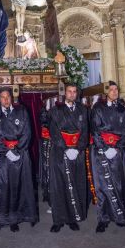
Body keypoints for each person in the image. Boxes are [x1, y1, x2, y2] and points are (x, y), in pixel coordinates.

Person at [90, 81, 125, 233]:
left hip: (117, 152)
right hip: (100, 151)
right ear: (106, 93)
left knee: (118, 183)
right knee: (102, 186)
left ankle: (119, 216)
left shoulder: (122, 109)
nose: (114, 92)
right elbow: (95, 129)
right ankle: (103, 218)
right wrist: (104, 148)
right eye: (111, 90)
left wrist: (117, 148)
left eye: (116, 89)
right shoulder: (98, 108)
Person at [0, 87, 37, 232]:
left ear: (12, 98)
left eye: (8, 97)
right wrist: (6, 151)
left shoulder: (21, 111)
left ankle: (14, 219)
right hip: (3, 156)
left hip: (20, 155)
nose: (5, 100)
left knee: (17, 187)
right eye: (2, 97)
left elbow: (27, 132)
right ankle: (1, 219)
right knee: (2, 188)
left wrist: (16, 151)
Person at [48, 83, 88, 233]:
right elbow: (54, 131)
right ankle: (58, 220)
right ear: (65, 93)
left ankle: (72, 218)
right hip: (59, 153)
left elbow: (85, 131)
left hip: (77, 153)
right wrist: (65, 149)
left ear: (77, 94)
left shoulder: (82, 110)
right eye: (69, 92)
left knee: (76, 184)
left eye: (74, 92)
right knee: (59, 186)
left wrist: (77, 149)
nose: (72, 94)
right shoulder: (56, 110)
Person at [39, 99, 51, 205]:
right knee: (46, 167)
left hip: (56, 143)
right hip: (46, 142)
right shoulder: (44, 111)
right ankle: (47, 193)